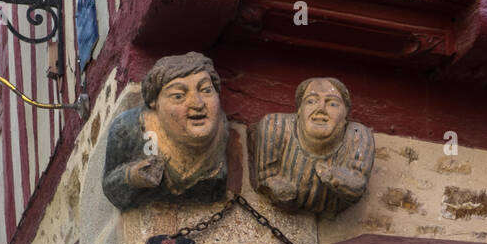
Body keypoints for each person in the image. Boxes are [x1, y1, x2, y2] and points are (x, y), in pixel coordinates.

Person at [102, 51, 228, 210]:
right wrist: (132, 176)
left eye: (206, 90)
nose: (198, 103)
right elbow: (110, 186)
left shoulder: (221, 128)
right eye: (178, 96)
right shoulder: (128, 127)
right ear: (155, 103)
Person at [249, 76, 374, 215]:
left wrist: (337, 178)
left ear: (345, 115)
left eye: (332, 104)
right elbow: (266, 176)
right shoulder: (276, 127)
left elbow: (357, 183)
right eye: (311, 101)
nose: (321, 109)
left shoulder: (357, 135)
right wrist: (276, 186)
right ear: (299, 111)